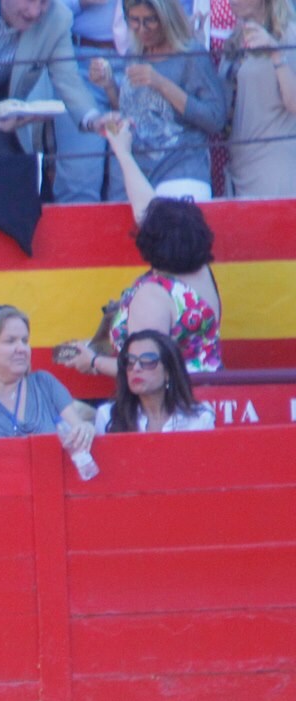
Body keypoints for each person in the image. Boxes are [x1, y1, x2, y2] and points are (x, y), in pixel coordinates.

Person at [58, 122, 222, 376]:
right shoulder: (202, 273)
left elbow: (146, 371)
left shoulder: (154, 295)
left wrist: (93, 362)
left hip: (164, 407)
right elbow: (147, 208)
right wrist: (122, 152)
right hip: (207, 397)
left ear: (149, 242)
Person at [88, 0, 228, 201]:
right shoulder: (135, 54)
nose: (141, 29)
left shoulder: (191, 55)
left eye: (149, 21)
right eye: (134, 20)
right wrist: (109, 84)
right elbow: (132, 112)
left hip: (181, 175)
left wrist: (161, 83)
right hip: (136, 178)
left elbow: (215, 119)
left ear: (166, 18)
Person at [0, 304, 97, 453]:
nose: (22, 349)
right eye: (10, 341)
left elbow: (76, 425)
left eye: (25, 341)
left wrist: (85, 429)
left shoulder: (45, 383)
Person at [0, 0, 106, 158]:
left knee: (13, 171)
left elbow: (68, 80)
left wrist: (95, 120)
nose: (35, 12)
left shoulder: (57, 19)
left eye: (44, 2)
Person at [221, 0, 296, 198]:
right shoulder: (234, 40)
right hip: (238, 166)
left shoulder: (289, 35)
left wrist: (276, 54)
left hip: (274, 168)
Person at [51, 0, 119, 201]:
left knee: (134, 177)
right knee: (78, 179)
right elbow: (42, 9)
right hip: (81, 63)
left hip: (146, 60)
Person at [94, 328, 215, 432]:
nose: (136, 368)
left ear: (168, 371)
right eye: (130, 361)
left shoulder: (199, 416)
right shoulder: (108, 415)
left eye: (148, 360)